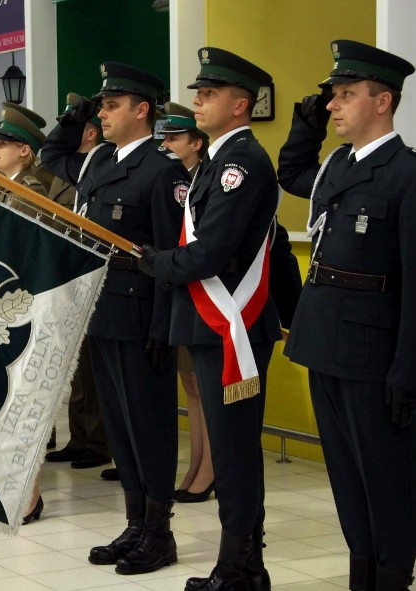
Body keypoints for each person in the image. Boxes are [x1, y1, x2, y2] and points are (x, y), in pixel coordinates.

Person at [138, 47, 281, 591]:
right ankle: (240, 564)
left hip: (232, 326)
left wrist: (152, 261)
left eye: (209, 94)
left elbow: (211, 253)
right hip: (210, 321)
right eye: (198, 92)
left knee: (236, 451)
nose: (198, 101)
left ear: (240, 104)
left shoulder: (240, 164)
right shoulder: (217, 161)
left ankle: (242, 567)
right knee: (229, 448)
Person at [277, 40, 416, 591]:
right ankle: (363, 569)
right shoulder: (338, 168)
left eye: (346, 95)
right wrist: (306, 124)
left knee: (386, 479)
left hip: (373, 357)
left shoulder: (405, 174)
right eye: (332, 96)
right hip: (324, 344)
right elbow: (292, 174)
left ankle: (391, 575)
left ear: (382, 101)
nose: (334, 105)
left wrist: (408, 372)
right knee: (345, 477)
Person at [42, 61, 188, 576]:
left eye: (110, 105)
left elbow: (171, 254)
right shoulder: (100, 160)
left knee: (149, 426)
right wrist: (73, 113)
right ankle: (133, 523)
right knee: (121, 428)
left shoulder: (164, 169)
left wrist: (164, 328)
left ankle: (159, 532)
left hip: (142, 316)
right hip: (102, 310)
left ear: (141, 110)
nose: (101, 115)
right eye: (99, 105)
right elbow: (52, 154)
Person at [44, 92, 112, 471]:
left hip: (105, 280)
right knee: (79, 368)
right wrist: (71, 120)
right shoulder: (87, 165)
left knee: (95, 369)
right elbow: (51, 154)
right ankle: (82, 436)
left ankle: (98, 440)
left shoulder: (115, 164)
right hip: (76, 276)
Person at [159, 103, 216, 503]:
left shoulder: (207, 178)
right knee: (191, 386)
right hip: (185, 295)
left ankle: (209, 469)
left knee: (205, 387)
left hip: (212, 298)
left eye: (176, 138)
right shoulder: (181, 178)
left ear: (196, 143)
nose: (167, 145)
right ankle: (197, 462)